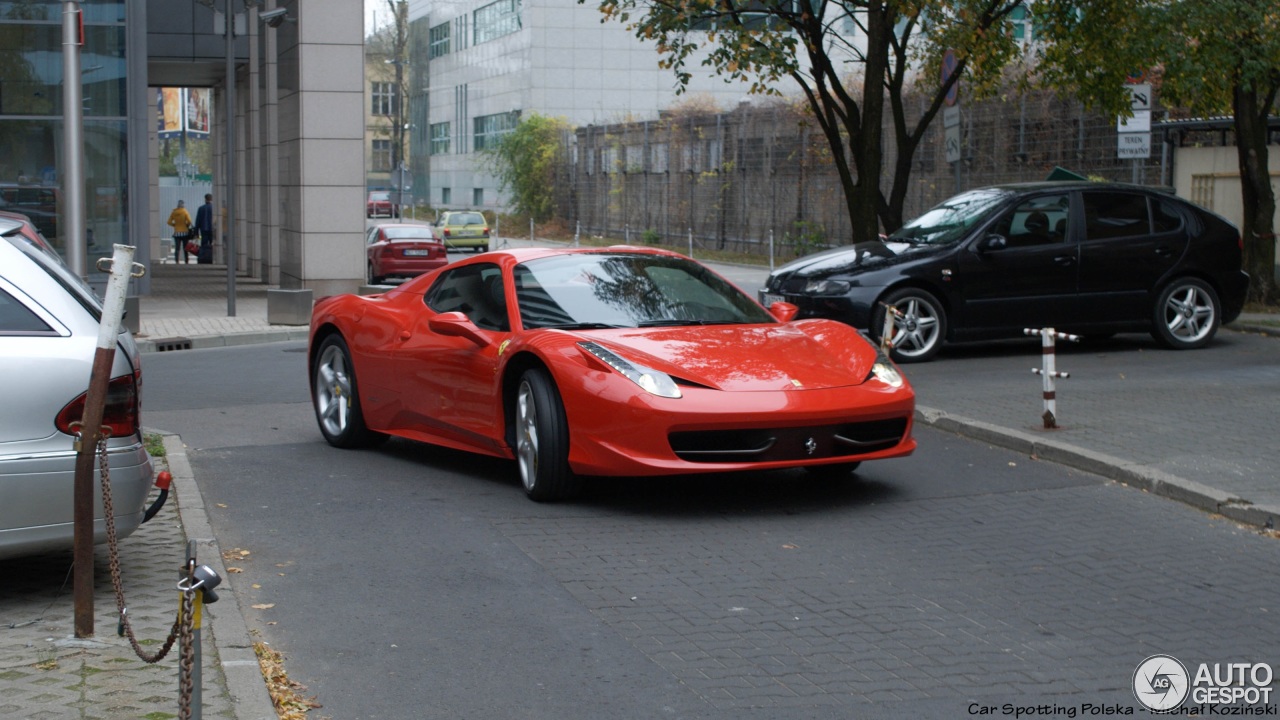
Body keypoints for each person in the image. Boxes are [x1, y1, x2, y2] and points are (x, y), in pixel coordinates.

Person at [166, 199, 194, 263]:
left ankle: (176, 260)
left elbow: (168, 222)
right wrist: (186, 225)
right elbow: (189, 221)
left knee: (177, 248)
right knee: (185, 248)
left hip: (177, 233)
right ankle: (186, 260)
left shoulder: (174, 212)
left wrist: (175, 225)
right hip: (185, 233)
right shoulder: (185, 211)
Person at [194, 193, 214, 263]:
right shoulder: (214, 209)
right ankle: (211, 258)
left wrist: (196, 232)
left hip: (203, 229)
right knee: (213, 244)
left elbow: (198, 221)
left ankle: (203, 258)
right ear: (212, 199)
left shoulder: (201, 208)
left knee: (203, 245)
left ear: (205, 199)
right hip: (213, 230)